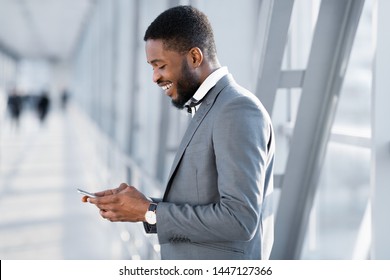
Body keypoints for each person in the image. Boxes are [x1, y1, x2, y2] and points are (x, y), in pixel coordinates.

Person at [83, 5, 275, 260]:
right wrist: (135, 205)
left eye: (160, 66)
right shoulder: (211, 106)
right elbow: (205, 201)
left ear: (195, 57)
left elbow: (240, 219)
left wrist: (149, 211)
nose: (154, 77)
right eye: (152, 67)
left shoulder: (236, 109)